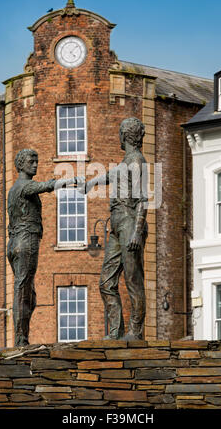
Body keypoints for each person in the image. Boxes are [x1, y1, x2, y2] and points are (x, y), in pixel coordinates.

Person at [7, 148, 83, 346]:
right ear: (21, 164)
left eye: (36, 161)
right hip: (26, 241)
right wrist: (66, 181)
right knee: (23, 291)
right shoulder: (23, 186)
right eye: (31, 161)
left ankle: (21, 335)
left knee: (28, 294)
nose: (35, 165)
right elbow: (43, 187)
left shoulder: (13, 189)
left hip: (14, 243)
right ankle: (20, 339)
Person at [82, 118, 148, 340]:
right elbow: (111, 175)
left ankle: (135, 332)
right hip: (117, 225)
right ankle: (115, 331)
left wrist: (137, 231)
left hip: (130, 222)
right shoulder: (126, 161)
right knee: (106, 282)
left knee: (133, 279)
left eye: (119, 132)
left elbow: (143, 200)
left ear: (124, 135)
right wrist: (92, 182)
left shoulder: (137, 161)